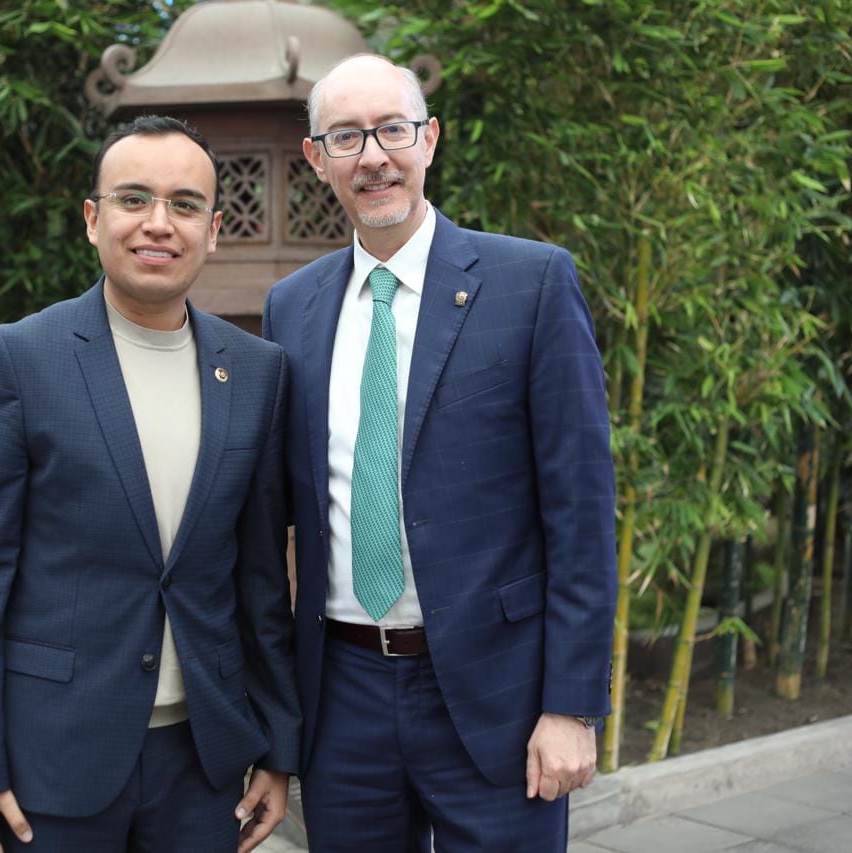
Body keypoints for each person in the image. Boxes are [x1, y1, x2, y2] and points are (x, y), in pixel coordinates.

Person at [262, 55, 616, 851]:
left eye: (392, 129)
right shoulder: (294, 308)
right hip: (343, 691)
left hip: (499, 693)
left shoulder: (530, 284)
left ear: (430, 140)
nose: (374, 156)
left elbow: (582, 514)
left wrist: (571, 706)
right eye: (347, 137)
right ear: (318, 159)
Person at [0, 115, 300, 853]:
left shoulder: (258, 371)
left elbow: (260, 581)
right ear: (94, 220)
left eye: (185, 204)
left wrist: (277, 747)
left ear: (215, 228)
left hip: (203, 758)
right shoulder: (20, 358)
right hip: (53, 754)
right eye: (134, 200)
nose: (158, 223)